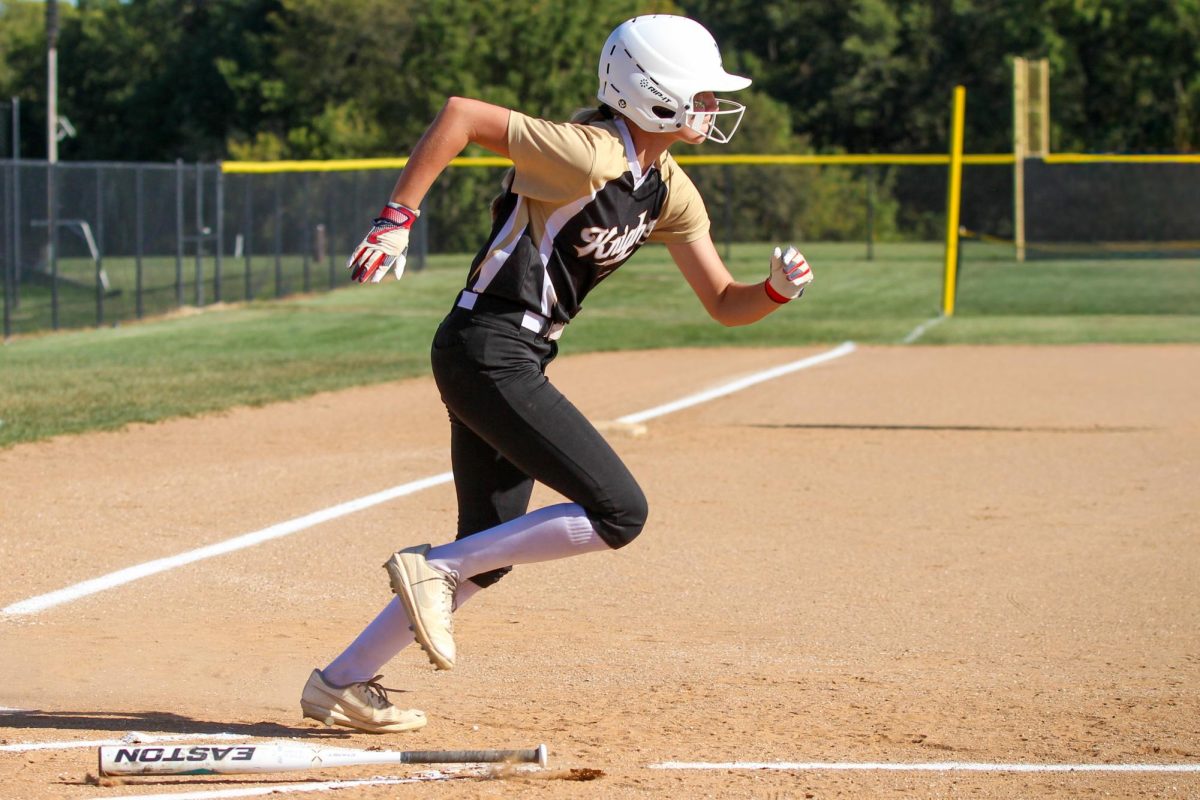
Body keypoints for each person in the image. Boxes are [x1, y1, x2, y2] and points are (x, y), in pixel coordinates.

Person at [299, 14, 814, 733]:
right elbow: (462, 117)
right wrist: (396, 218)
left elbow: (726, 304)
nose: (710, 106)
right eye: (698, 92)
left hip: (508, 355)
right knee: (619, 513)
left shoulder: (667, 188)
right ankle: (434, 568)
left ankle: (343, 682)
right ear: (651, 91)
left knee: (491, 547)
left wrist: (775, 293)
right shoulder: (590, 154)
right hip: (489, 347)